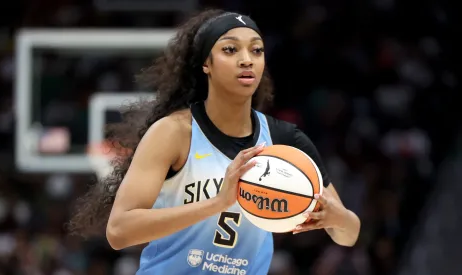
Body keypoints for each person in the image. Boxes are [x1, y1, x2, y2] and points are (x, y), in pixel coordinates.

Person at [69, 9, 361, 275]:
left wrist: (339, 218)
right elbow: (119, 231)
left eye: (256, 50)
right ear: (206, 64)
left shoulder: (285, 141)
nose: (247, 59)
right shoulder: (174, 133)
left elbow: (348, 235)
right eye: (231, 49)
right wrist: (218, 203)